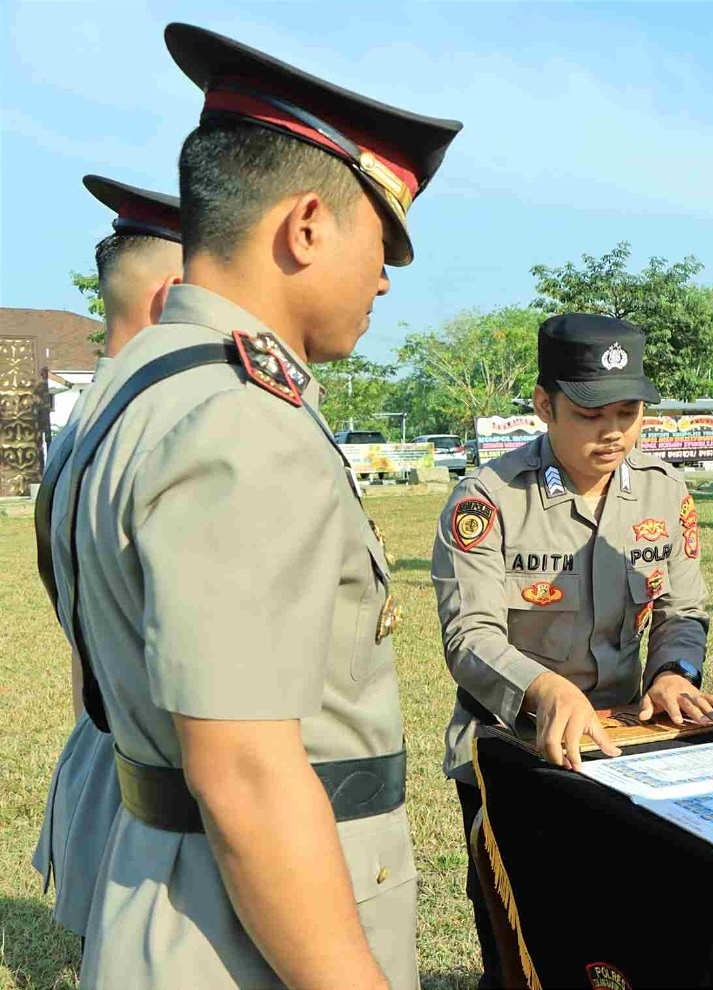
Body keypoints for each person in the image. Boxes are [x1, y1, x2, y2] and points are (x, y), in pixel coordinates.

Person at [38, 23, 461, 989]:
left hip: (166, 884)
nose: (387, 276)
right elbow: (249, 782)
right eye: (382, 237)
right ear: (307, 225)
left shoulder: (134, 388)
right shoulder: (242, 424)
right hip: (247, 936)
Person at [433, 313, 713, 985]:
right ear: (544, 406)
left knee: (629, 933)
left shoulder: (663, 491)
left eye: (630, 411)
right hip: (514, 754)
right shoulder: (488, 501)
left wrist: (673, 673)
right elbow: (469, 637)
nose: (614, 431)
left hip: (625, 752)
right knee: (524, 946)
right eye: (592, 413)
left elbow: (682, 610)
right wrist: (544, 691)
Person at [32, 175, 183, 947]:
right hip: (161, 787)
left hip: (107, 747)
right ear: (176, 295)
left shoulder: (92, 418)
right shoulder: (162, 426)